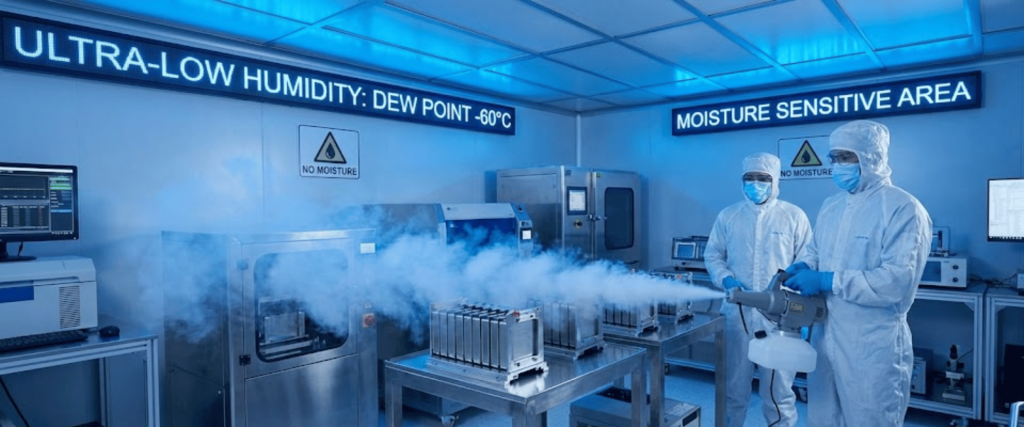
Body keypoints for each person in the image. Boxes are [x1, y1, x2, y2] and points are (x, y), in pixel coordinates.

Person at [784, 120, 932, 426]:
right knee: (822, 417)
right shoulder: (831, 206)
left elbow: (896, 282)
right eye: (833, 158)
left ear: (871, 157)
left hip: (871, 344)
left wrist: (828, 280)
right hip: (825, 335)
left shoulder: (902, 208)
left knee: (870, 418)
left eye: (845, 157)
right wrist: (806, 265)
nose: (837, 165)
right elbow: (816, 251)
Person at [704, 152, 812, 427]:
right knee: (733, 387)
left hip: (780, 317)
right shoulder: (729, 216)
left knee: (778, 392)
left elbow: (808, 259)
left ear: (775, 181)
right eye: (749, 178)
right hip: (736, 314)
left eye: (762, 178)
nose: (755, 183)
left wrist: (793, 295)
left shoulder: (793, 216)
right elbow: (713, 255)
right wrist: (727, 279)